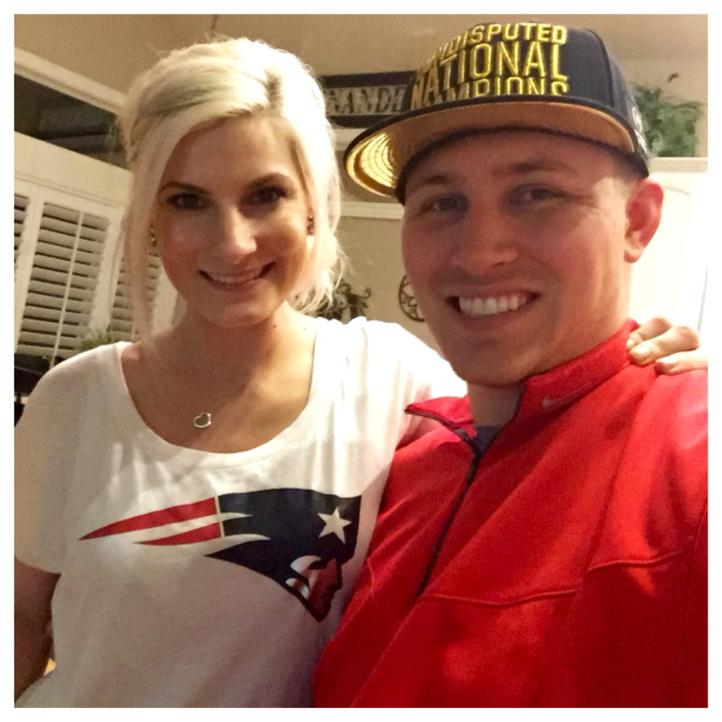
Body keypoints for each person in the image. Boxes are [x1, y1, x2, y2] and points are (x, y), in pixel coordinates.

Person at [14, 35, 702, 709]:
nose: (233, 242)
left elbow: (554, 413)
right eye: (187, 200)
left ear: (313, 208)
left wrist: (653, 366)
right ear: (150, 218)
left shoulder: (391, 381)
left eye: (265, 195)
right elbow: (18, 618)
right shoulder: (75, 397)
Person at [313, 20, 707, 707]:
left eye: (536, 194)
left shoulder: (694, 469)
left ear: (638, 222)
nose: (480, 253)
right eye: (443, 203)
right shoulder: (401, 471)